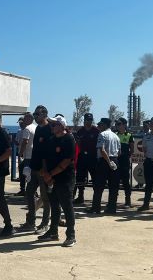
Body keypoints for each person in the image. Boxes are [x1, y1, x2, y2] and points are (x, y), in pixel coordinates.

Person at [40, 115, 77, 247]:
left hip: (65, 178)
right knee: (54, 206)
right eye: (51, 124)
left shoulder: (69, 139)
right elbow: (44, 158)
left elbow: (66, 161)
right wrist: (45, 174)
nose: (52, 126)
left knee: (67, 206)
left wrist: (50, 174)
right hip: (51, 178)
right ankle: (53, 232)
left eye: (54, 124)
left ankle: (71, 236)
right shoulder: (50, 140)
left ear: (61, 126)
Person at [21, 105, 52, 231]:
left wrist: (45, 169)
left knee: (45, 198)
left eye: (37, 114)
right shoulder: (38, 128)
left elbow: (48, 151)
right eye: (34, 114)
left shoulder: (50, 128)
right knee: (29, 193)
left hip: (44, 169)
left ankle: (44, 224)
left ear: (44, 115)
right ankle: (31, 221)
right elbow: (37, 148)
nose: (35, 116)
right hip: (34, 166)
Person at [88, 118, 121, 214]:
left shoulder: (102, 134)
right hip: (115, 160)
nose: (99, 126)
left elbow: (102, 150)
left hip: (104, 160)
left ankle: (96, 207)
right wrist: (112, 161)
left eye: (101, 125)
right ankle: (112, 208)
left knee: (99, 186)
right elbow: (119, 152)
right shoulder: (116, 136)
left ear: (105, 125)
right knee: (113, 186)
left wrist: (108, 161)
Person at [73, 112, 99, 204]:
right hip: (82, 157)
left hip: (92, 157)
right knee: (80, 177)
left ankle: (96, 199)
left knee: (95, 178)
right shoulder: (80, 131)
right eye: (87, 120)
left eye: (90, 120)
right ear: (84, 120)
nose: (89, 122)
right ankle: (80, 197)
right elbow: (78, 144)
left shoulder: (96, 131)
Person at [115, 118, 134, 207]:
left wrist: (126, 156)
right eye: (117, 124)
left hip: (125, 161)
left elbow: (132, 149)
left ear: (124, 125)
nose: (117, 126)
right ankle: (113, 200)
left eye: (119, 124)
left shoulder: (129, 135)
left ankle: (128, 201)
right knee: (115, 181)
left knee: (126, 182)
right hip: (116, 161)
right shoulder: (115, 134)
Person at [17, 112, 36, 197]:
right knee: (32, 175)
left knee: (27, 174)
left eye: (25, 118)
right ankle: (32, 191)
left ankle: (30, 193)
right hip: (34, 155)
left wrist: (20, 153)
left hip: (28, 155)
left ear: (29, 119)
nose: (24, 120)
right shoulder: (36, 127)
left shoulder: (27, 129)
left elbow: (25, 142)